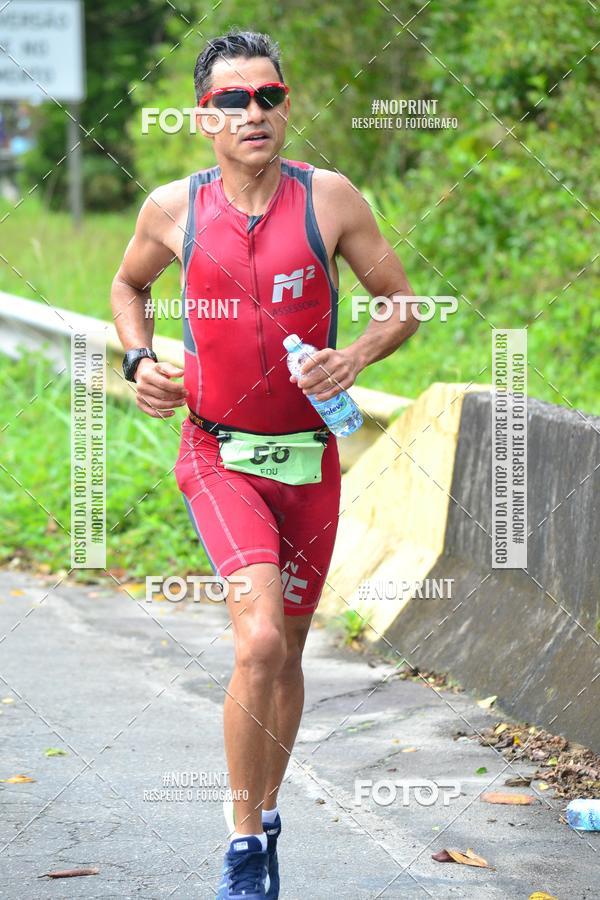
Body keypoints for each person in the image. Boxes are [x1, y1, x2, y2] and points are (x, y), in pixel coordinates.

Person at [111, 29, 418, 900]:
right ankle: (244, 846)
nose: (255, 112)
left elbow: (401, 304)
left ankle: (266, 812)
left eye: (270, 96)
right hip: (217, 453)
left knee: (285, 656)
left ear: (286, 106)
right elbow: (128, 287)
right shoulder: (173, 208)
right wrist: (139, 360)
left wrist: (354, 356)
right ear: (202, 115)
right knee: (257, 639)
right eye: (233, 100)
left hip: (310, 460)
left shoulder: (330, 199)